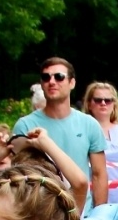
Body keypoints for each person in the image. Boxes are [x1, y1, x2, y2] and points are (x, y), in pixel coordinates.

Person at [14, 58, 109, 208]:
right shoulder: (25, 125)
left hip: (82, 212)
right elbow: (20, 175)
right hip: (42, 213)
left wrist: (99, 216)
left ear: (72, 83)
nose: (52, 81)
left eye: (59, 77)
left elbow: (99, 174)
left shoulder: (89, 124)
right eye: (46, 77)